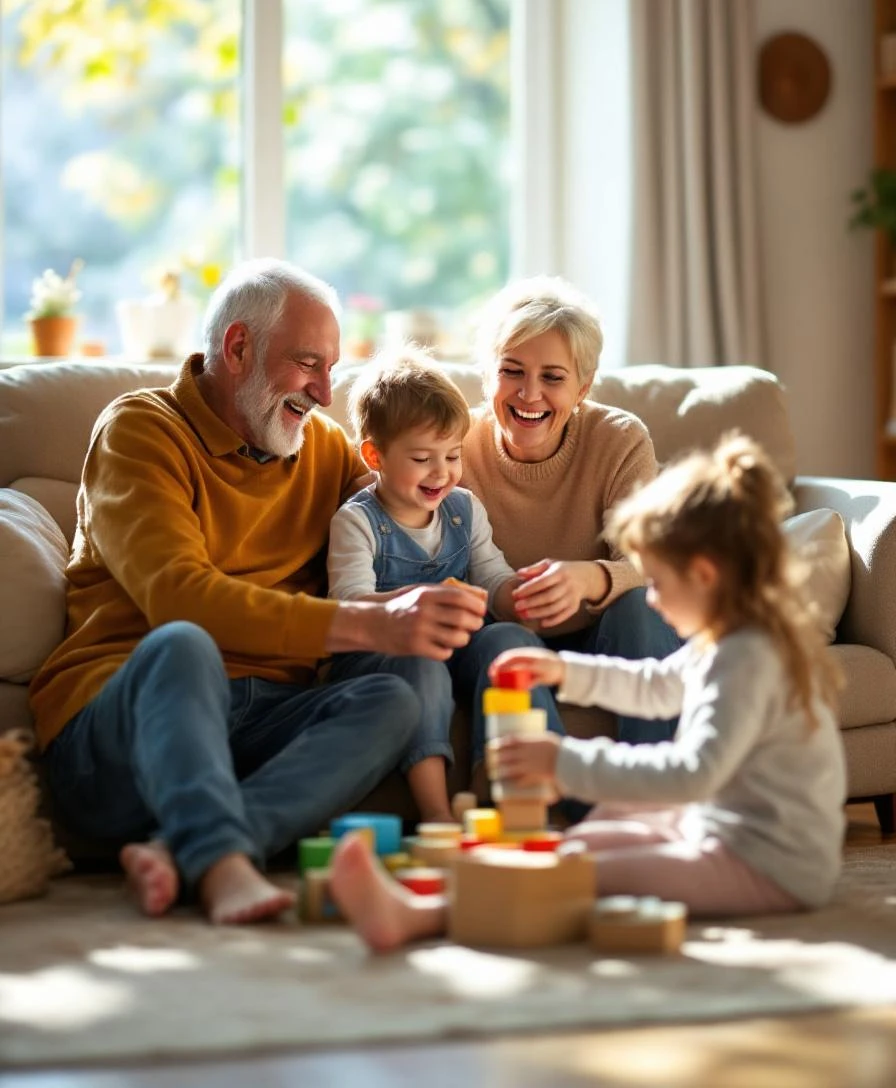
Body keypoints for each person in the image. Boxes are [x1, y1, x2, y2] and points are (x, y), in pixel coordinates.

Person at [29, 259, 487, 925]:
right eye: (308, 364)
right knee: (184, 644)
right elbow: (179, 597)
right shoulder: (141, 431)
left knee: (389, 700)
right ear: (238, 348)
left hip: (263, 720)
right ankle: (219, 864)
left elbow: (414, 495)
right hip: (125, 722)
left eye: (332, 369)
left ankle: (195, 845)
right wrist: (370, 624)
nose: (325, 392)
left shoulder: (324, 450)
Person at [328, 434, 847, 951]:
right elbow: (656, 686)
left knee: (585, 870)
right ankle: (483, 881)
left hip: (769, 863)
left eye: (659, 583)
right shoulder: (730, 639)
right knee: (591, 834)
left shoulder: (749, 658)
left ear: (705, 575)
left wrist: (564, 762)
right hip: (722, 828)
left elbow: (694, 773)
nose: (654, 601)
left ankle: (422, 916)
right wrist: (559, 669)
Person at [326, 346, 566, 823]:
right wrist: (420, 602)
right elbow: (349, 604)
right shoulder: (357, 522)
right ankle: (437, 811)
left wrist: (516, 594)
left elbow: (491, 573)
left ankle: (494, 787)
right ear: (375, 455)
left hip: (457, 643)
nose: (441, 472)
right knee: (425, 665)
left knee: (510, 641)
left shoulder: (463, 507)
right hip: (386, 655)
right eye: (422, 458)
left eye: (452, 455)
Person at [460, 275, 682, 759]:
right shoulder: (454, 448)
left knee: (640, 606)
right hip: (505, 634)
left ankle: (650, 799)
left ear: (582, 387)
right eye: (512, 372)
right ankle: (541, 803)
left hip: (604, 636)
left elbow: (656, 568)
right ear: (487, 376)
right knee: (505, 640)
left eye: (553, 378)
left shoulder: (619, 440)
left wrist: (591, 579)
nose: (529, 395)